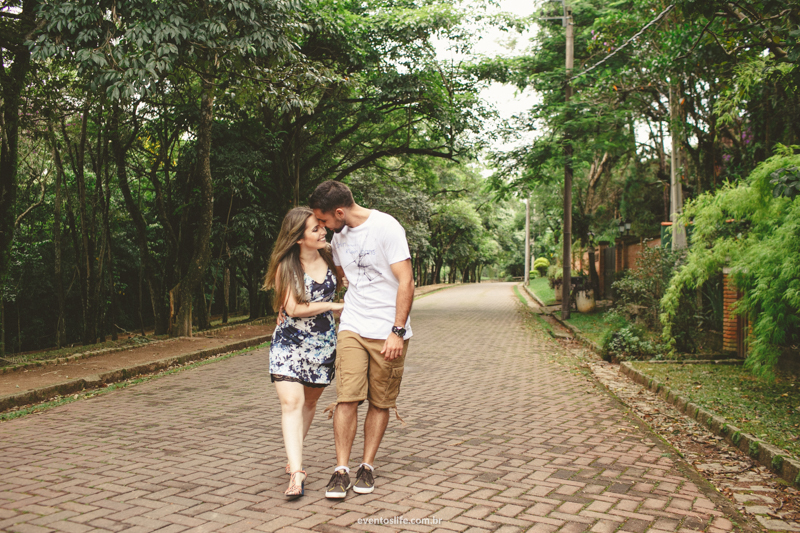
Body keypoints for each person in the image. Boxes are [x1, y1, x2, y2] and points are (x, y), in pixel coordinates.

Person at [308, 181, 414, 499]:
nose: (323, 227)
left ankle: (366, 466)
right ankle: (341, 469)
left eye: (324, 220)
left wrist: (397, 330)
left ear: (340, 212)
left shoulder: (386, 227)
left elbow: (406, 281)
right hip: (353, 324)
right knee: (347, 397)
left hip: (388, 330)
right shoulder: (338, 237)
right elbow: (344, 278)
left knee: (380, 401)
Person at [263, 206, 344, 499]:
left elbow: (352, 278)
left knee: (309, 403)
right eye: (315, 229)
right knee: (291, 403)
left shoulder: (331, 254)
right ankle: (297, 472)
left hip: (322, 345)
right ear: (298, 238)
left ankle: (293, 454)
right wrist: (332, 305)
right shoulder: (286, 266)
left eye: (321, 226)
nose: (323, 232)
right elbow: (294, 308)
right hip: (289, 343)